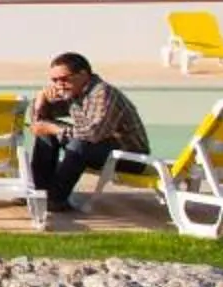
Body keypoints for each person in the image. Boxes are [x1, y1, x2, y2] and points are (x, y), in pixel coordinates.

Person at [28, 50, 148, 215]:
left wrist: (53, 128)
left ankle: (56, 199)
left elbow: (92, 134)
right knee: (46, 133)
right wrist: (41, 102)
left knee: (78, 144)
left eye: (64, 78)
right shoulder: (73, 92)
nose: (59, 84)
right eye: (54, 80)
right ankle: (39, 191)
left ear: (83, 74)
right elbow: (40, 124)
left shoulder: (102, 93)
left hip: (129, 157)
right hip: (101, 148)